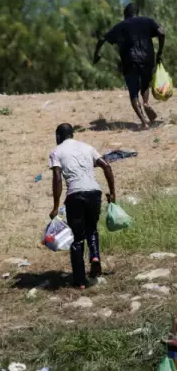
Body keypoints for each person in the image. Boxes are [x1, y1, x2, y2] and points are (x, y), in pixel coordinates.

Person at [49, 123, 116, 289]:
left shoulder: (56, 152)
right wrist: (112, 192)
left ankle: (79, 280)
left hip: (75, 195)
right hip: (94, 192)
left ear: (58, 136)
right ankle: (95, 258)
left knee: (77, 237)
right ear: (72, 134)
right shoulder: (87, 147)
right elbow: (106, 166)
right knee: (92, 229)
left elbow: (57, 178)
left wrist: (56, 205)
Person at [93, 3, 166, 130]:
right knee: (144, 85)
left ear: (125, 14)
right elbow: (162, 33)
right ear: (137, 12)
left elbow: (102, 38)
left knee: (133, 93)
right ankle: (146, 103)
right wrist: (159, 52)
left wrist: (97, 53)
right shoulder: (147, 21)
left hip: (129, 61)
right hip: (147, 59)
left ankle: (144, 122)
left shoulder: (120, 26)